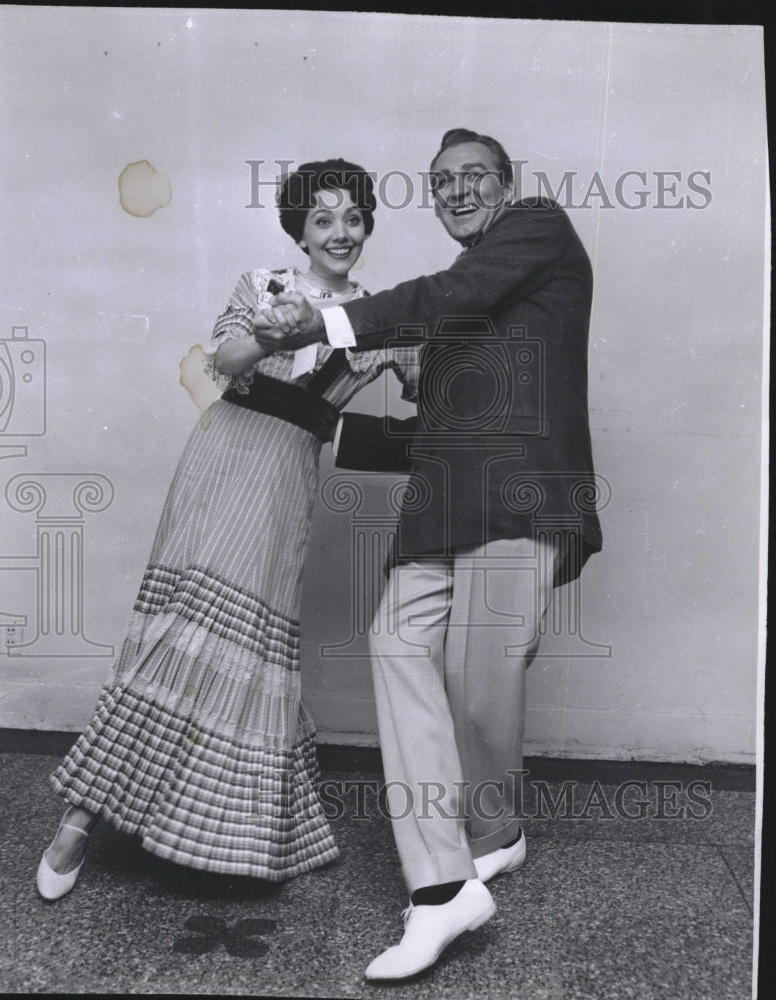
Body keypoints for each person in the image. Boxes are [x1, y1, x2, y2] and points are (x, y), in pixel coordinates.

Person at [253, 128, 603, 979]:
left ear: (508, 183)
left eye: (472, 175)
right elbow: (438, 433)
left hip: (519, 499)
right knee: (397, 646)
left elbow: (447, 295)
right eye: (440, 181)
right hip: (440, 508)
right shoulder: (465, 306)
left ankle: (497, 834)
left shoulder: (536, 227)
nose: (455, 190)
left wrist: (328, 317)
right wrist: (313, 425)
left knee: (481, 682)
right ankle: (443, 892)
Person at [35, 158, 420, 899]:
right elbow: (225, 361)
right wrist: (279, 333)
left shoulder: (384, 317)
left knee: (247, 648)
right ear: (299, 232)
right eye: (323, 220)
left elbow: (432, 387)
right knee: (175, 636)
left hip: (287, 479)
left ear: (367, 223)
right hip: (220, 460)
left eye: (353, 217)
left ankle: (228, 830)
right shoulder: (263, 284)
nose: (340, 233)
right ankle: (79, 823)